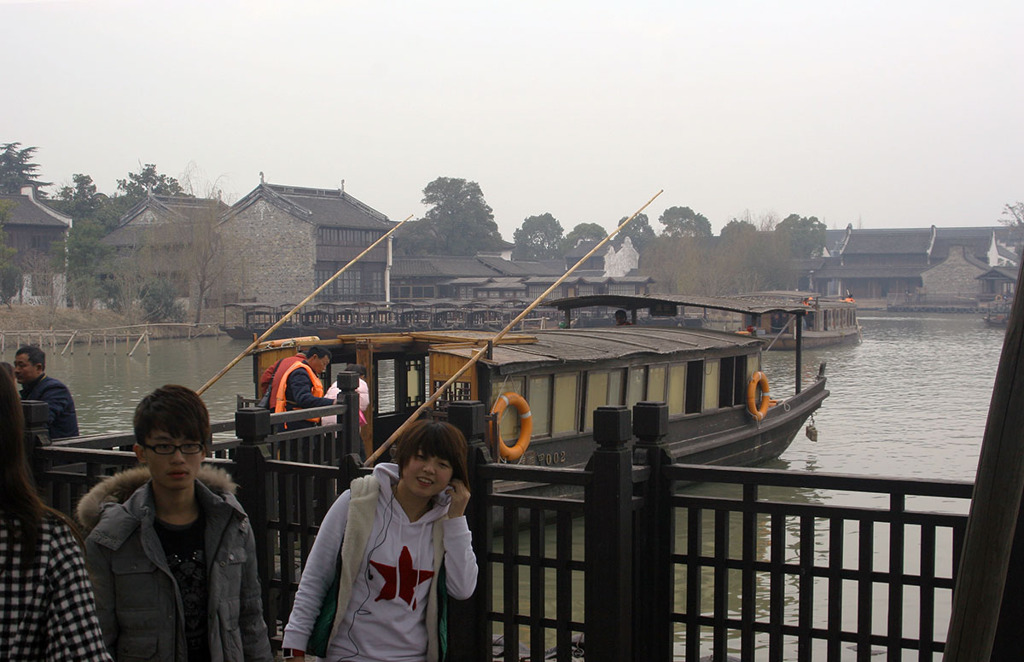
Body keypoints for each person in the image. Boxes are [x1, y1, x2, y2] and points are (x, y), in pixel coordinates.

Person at [77, 385, 273, 662]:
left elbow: (250, 618)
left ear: (204, 450)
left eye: (189, 445)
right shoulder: (111, 538)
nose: (178, 458)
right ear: (141, 452)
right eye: (164, 446)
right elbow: (99, 637)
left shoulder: (233, 523)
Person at [280, 420, 478, 661]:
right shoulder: (356, 503)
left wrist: (456, 518)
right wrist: (294, 649)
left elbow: (463, 588)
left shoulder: (445, 523)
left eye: (442, 464)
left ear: (453, 475)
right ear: (403, 458)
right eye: (421, 458)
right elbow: (314, 579)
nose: (429, 470)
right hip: (348, 655)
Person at [0, 367, 112, 660]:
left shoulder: (54, 390)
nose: (20, 369)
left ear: (39, 367)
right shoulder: (44, 541)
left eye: (23, 364)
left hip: (64, 467)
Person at [14, 345, 80, 439]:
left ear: (38, 368)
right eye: (15, 365)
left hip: (61, 449)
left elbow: (40, 422)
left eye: (21, 366)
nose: (16, 370)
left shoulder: (55, 389)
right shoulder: (29, 390)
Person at [273, 345, 336, 431]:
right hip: (295, 424)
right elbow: (303, 399)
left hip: (300, 422)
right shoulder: (300, 373)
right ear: (314, 357)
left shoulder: (307, 372)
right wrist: (332, 402)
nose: (324, 368)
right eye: (323, 364)